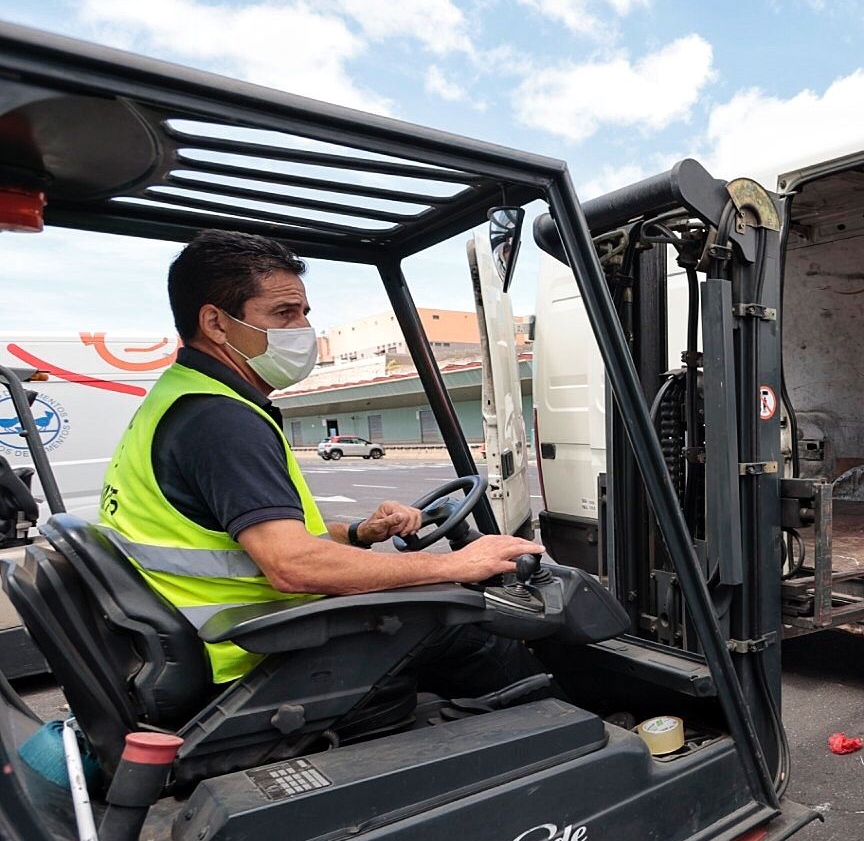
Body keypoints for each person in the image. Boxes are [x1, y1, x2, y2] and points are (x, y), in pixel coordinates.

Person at [99, 229, 543, 707]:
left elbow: (248, 538)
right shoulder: (220, 420)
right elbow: (291, 564)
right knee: (473, 635)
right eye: (284, 313)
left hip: (230, 641)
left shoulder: (180, 399)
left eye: (304, 313)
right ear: (216, 323)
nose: (303, 329)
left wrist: (358, 533)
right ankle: (567, 736)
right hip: (252, 659)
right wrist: (455, 564)